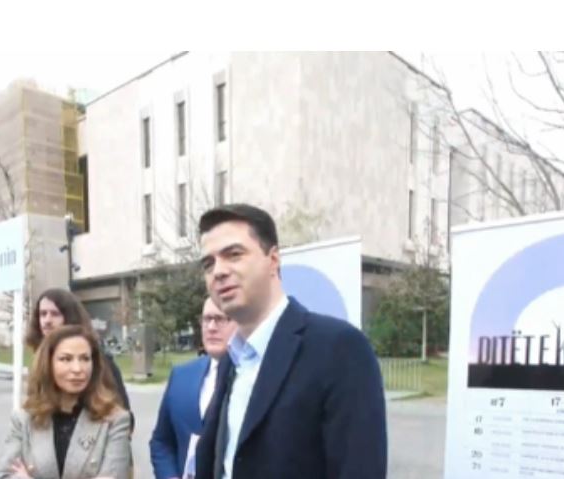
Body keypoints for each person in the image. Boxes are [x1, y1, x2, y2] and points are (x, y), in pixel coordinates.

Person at [192, 204, 387, 479]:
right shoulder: (230, 361)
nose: (218, 271)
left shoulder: (339, 349)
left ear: (273, 260)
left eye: (233, 254)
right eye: (208, 264)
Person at [0, 325, 132, 479]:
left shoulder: (115, 420)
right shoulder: (23, 419)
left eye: (84, 359)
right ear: (48, 364)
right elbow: (5, 474)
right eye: (66, 359)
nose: (77, 369)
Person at [150, 297, 236, 479]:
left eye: (220, 319)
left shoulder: (252, 380)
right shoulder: (181, 375)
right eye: (206, 319)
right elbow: (161, 442)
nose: (211, 327)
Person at [26, 288, 130, 414]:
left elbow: (122, 412)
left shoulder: (99, 360)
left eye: (55, 314)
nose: (47, 321)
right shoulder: (40, 359)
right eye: (43, 314)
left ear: (70, 317)